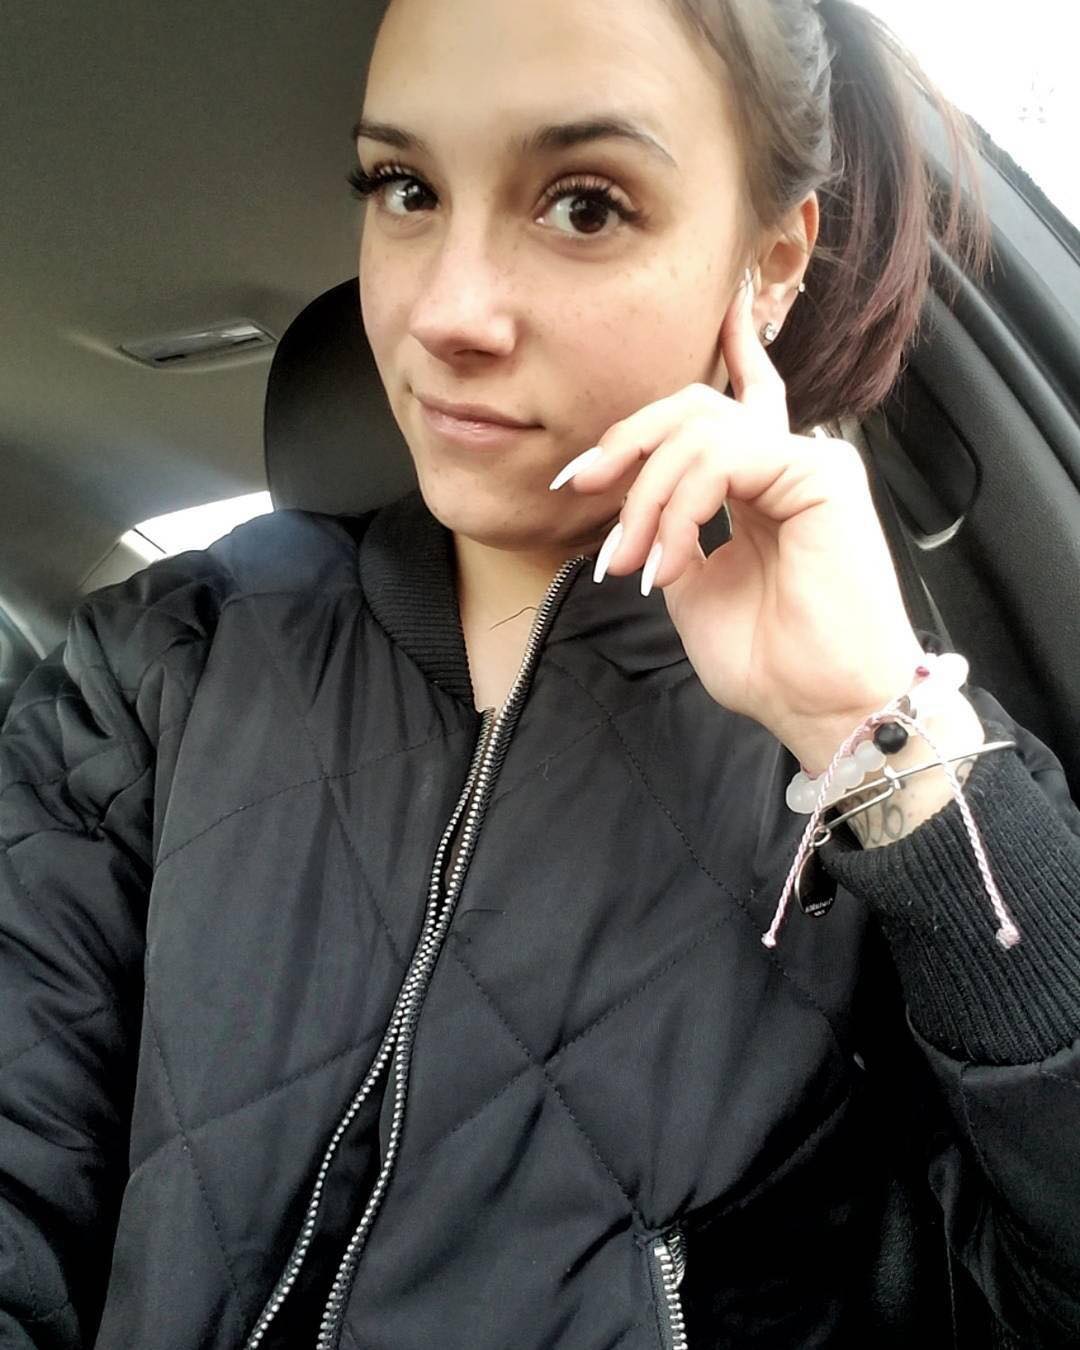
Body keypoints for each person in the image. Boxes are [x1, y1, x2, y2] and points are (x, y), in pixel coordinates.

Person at [2, 0, 1079, 1346]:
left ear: (767, 266)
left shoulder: (891, 785)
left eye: (585, 205)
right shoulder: (158, 665)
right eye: (405, 188)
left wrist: (879, 735)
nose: (446, 312)